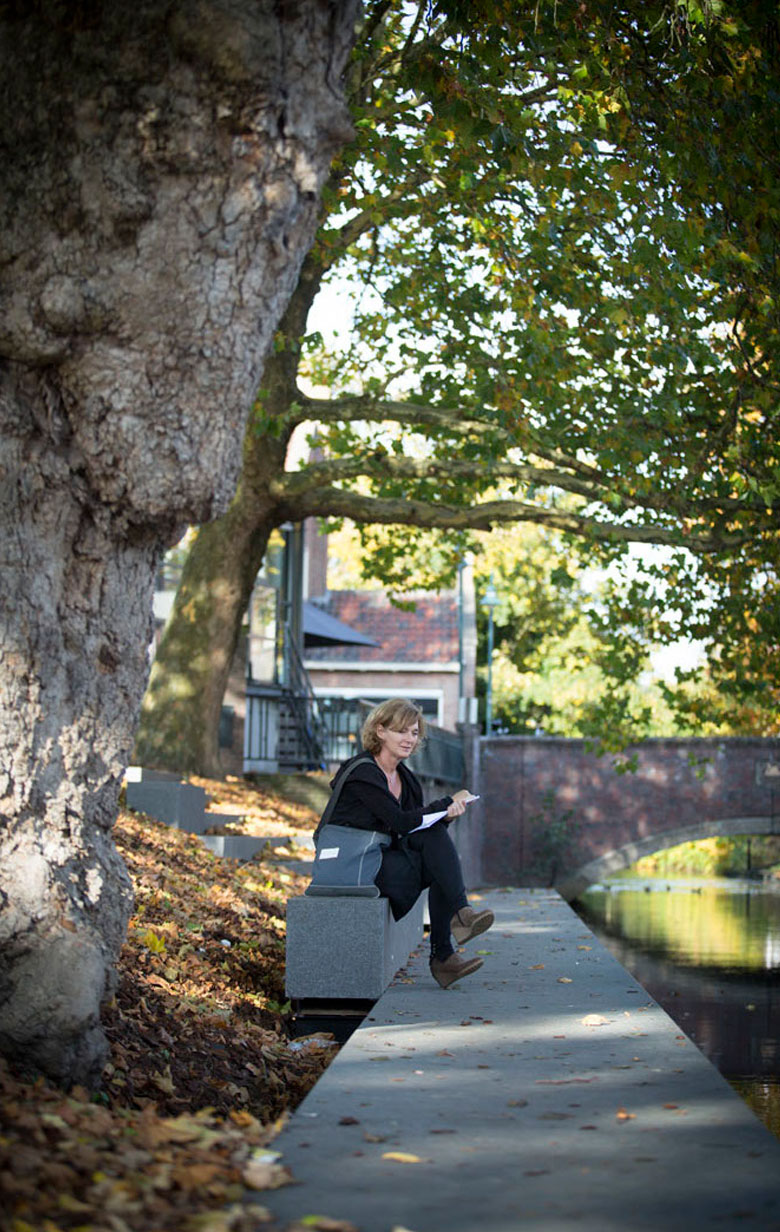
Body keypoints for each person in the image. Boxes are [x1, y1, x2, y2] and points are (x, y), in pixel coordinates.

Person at [323, 698, 493, 988]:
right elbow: (400, 822)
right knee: (437, 854)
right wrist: (444, 803)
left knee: (439, 853)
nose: (409, 739)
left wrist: (447, 816)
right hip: (351, 865)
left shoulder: (407, 779)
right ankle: (457, 924)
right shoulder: (362, 772)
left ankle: (446, 954)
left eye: (414, 733)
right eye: (401, 731)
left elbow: (415, 829)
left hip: (381, 860)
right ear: (380, 731)